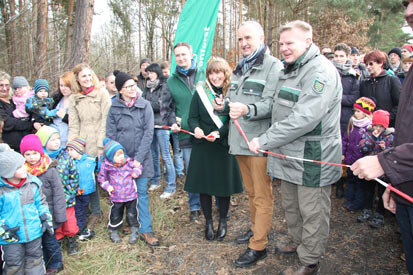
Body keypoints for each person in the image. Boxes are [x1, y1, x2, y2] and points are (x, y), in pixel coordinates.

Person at [246, 21, 342, 274]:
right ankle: (299, 242)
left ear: (308, 42)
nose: (285, 48)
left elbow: (305, 118)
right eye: (282, 44)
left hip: (313, 155)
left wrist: (264, 140)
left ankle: (310, 260)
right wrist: (249, 109)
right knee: (291, 204)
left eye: (291, 43)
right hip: (287, 152)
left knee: (312, 210)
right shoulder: (288, 70)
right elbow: (275, 105)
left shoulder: (320, 72)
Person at [214, 21, 282, 267]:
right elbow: (233, 97)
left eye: (248, 38)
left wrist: (248, 109)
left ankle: (259, 245)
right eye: (240, 38)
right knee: (252, 193)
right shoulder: (240, 67)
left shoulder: (273, 67)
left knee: (262, 196)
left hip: (258, 143)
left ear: (261, 38)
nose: (243, 43)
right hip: (239, 142)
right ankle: (256, 230)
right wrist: (225, 104)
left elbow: (273, 104)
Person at [352, 4, 413, 274]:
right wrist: (396, 179)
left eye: (373, 62)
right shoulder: (367, 81)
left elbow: (400, 109)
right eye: (408, 17)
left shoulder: (394, 80)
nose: (370, 67)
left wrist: (388, 156)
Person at [185, 57, 243, 241]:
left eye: (219, 72)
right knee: (204, 186)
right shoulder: (201, 92)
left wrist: (218, 133)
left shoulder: (232, 92)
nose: (215, 76)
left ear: (225, 73)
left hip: (223, 145)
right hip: (203, 146)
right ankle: (209, 222)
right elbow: (191, 117)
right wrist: (196, 129)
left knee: (222, 187)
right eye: (211, 72)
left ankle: (223, 221)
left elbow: (235, 121)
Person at [106, 70, 159, 246]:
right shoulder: (114, 108)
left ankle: (146, 229)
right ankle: (131, 223)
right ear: (120, 90)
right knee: (124, 194)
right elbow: (111, 134)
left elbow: (148, 133)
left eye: (134, 86)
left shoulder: (145, 106)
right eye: (127, 87)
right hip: (120, 161)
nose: (132, 89)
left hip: (141, 159)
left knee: (141, 193)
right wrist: (117, 158)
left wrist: (138, 159)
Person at [0, 143, 53, 275]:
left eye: (23, 164)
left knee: (35, 260)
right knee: (13, 264)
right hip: (11, 238)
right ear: (8, 171)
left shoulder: (33, 183)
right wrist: (2, 230)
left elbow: (41, 203)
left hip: (33, 232)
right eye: (19, 167)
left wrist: (46, 218)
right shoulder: (2, 191)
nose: (25, 167)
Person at [69, 63, 111, 228]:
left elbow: (106, 120)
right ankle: (95, 210)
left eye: (88, 75)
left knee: (106, 175)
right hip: (83, 143)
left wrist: (101, 145)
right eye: (83, 77)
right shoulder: (74, 98)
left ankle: (118, 208)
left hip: (101, 139)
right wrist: (72, 147)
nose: (87, 79)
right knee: (88, 177)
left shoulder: (102, 94)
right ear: (77, 80)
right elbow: (74, 125)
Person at [166, 42, 204, 221]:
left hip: (206, 131)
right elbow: (167, 107)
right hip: (186, 133)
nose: (181, 58)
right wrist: (173, 121)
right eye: (177, 56)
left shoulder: (204, 74)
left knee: (211, 168)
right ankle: (195, 206)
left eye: (183, 54)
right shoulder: (171, 81)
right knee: (192, 171)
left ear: (191, 54)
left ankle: (216, 203)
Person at [20, 134, 66, 274]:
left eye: (35, 153)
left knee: (50, 242)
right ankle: (44, 262)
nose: (32, 157)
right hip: (32, 216)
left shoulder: (50, 170)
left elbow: (59, 194)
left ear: (41, 152)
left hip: (49, 214)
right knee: (37, 243)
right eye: (28, 154)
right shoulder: (22, 172)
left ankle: (56, 263)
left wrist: (60, 216)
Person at [36, 125, 80, 255]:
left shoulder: (66, 156)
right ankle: (58, 241)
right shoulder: (41, 160)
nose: (57, 142)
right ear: (43, 142)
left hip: (67, 198)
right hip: (50, 199)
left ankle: (72, 241)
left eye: (58, 138)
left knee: (70, 221)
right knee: (56, 221)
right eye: (52, 140)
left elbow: (74, 176)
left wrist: (70, 192)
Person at [98, 138, 142, 244]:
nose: (121, 157)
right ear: (110, 157)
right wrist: (107, 186)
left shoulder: (128, 161)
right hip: (116, 196)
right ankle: (113, 230)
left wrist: (136, 171)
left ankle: (134, 229)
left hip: (131, 194)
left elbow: (139, 165)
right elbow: (101, 178)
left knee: (132, 213)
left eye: (122, 153)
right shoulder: (107, 165)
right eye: (117, 155)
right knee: (116, 214)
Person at [142, 63, 176, 199]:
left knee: (166, 156)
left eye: (151, 72)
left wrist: (146, 105)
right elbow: (143, 102)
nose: (149, 75)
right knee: (154, 155)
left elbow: (162, 105)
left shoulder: (165, 85)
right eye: (147, 73)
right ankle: (156, 180)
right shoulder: (147, 87)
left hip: (163, 124)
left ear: (157, 72)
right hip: (150, 125)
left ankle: (171, 186)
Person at [332, 43, 360, 198]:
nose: (338, 59)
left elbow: (354, 98)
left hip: (345, 118)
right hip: (330, 117)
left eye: (341, 56)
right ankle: (332, 179)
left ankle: (342, 183)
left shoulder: (353, 75)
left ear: (348, 57)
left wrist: (337, 98)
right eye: (336, 56)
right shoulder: (328, 71)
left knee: (344, 151)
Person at [357, 110, 394, 228]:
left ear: (385, 126)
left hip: (383, 172)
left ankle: (379, 214)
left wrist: (386, 148)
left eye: (380, 126)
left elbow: (394, 154)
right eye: (376, 126)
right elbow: (363, 148)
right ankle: (367, 210)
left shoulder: (390, 137)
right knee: (368, 191)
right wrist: (373, 138)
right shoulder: (367, 133)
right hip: (370, 170)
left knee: (382, 192)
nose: (377, 128)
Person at [342, 97, 375, 211]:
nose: (356, 113)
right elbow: (345, 139)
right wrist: (343, 152)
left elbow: (369, 145)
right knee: (350, 180)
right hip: (350, 159)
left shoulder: (369, 127)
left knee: (360, 183)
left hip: (361, 160)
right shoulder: (352, 123)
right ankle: (349, 199)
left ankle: (357, 203)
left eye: (358, 111)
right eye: (355, 111)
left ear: (365, 113)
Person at [0, 72, 41, 151]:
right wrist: (30, 125)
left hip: (27, 145)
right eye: (1, 85)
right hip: (10, 147)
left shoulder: (15, 100)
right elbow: (7, 123)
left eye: (7, 85)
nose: (4, 88)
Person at [359, 50, 401, 128]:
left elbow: (399, 104)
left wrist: (386, 118)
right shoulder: (364, 83)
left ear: (380, 63)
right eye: (366, 64)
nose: (368, 67)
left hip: (388, 126)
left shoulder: (391, 80)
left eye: (371, 64)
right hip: (369, 126)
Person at [66, 137, 96, 241]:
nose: (69, 152)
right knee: (78, 211)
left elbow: (99, 168)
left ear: (79, 150)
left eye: (71, 150)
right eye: (68, 150)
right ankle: (80, 230)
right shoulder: (69, 163)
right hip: (75, 192)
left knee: (84, 208)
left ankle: (80, 227)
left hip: (87, 191)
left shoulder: (91, 161)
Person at [51, 72, 73, 148]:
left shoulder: (78, 100)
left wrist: (65, 117)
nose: (63, 88)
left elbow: (81, 123)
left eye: (66, 86)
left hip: (69, 141)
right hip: (54, 141)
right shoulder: (57, 98)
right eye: (61, 85)